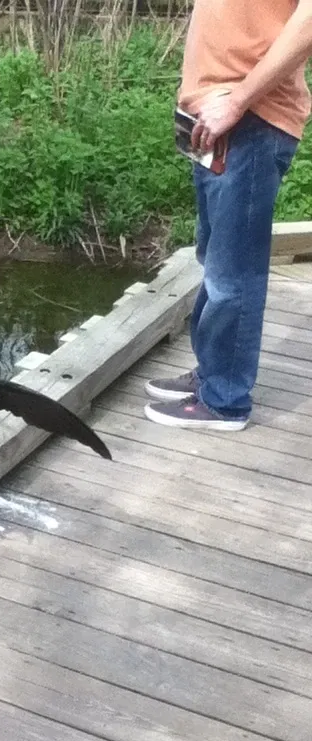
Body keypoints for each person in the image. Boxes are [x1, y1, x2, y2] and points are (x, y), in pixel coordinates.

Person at [144, 0, 312, 431]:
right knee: (214, 258)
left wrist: (238, 101)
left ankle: (226, 400)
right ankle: (213, 373)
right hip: (216, 120)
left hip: (250, 118)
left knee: (232, 271)